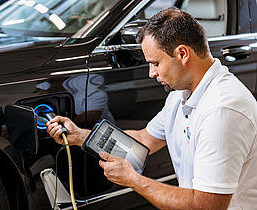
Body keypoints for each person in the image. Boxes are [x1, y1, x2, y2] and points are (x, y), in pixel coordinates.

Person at [46, 7, 257, 209]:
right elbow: (142, 140)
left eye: (155, 63)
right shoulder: (180, 95)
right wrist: (80, 136)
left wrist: (134, 180)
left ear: (182, 54)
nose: (151, 73)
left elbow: (205, 205)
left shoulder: (221, 110)